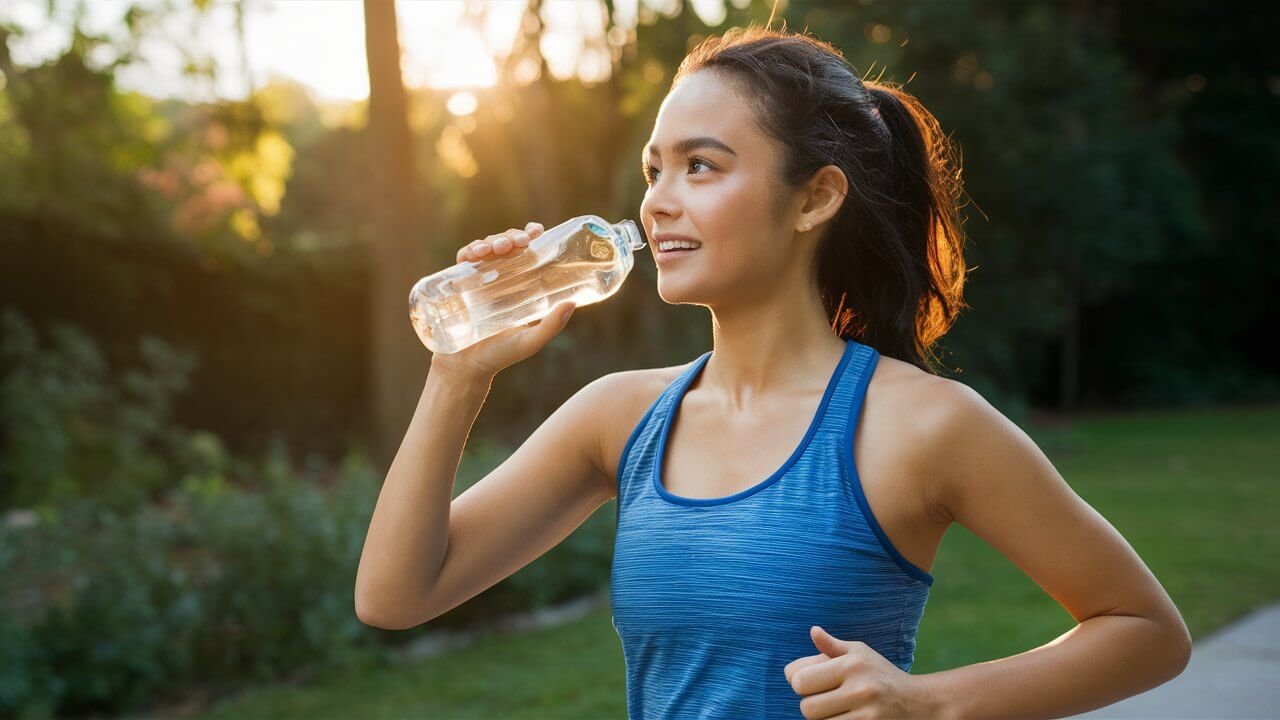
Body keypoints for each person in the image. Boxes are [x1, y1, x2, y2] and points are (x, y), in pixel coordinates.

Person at [356, 25, 1192, 720]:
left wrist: (930, 703)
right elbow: (396, 595)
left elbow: (1146, 629)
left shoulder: (926, 425)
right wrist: (458, 374)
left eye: (702, 166)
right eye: (655, 169)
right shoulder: (620, 417)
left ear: (815, 200)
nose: (657, 201)